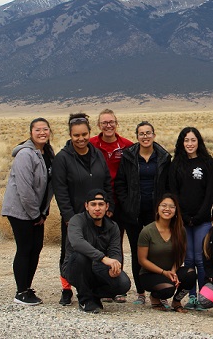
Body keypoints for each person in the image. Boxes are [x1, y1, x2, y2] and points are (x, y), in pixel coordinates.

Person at [52, 113, 114, 306]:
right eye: (76, 135)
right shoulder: (63, 158)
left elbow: (106, 181)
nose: (81, 139)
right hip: (75, 216)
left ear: (90, 133)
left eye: (84, 134)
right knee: (69, 253)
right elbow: (60, 189)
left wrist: (108, 205)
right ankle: (66, 288)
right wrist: (68, 216)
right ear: (70, 135)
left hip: (97, 215)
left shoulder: (97, 154)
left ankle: (92, 287)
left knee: (96, 251)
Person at [114, 121, 171, 305]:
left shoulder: (163, 157)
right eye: (141, 133)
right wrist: (126, 204)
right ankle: (140, 292)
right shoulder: (129, 156)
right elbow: (120, 183)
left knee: (157, 252)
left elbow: (168, 185)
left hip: (156, 214)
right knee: (137, 251)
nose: (145, 136)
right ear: (137, 136)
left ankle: (157, 292)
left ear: (154, 135)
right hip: (133, 214)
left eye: (148, 133)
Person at [1, 117, 54, 305]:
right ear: (31, 133)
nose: (42, 133)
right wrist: (35, 214)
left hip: (36, 212)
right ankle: (21, 292)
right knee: (25, 249)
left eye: (45, 129)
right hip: (19, 211)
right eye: (37, 130)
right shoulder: (25, 154)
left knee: (35, 248)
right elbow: (24, 189)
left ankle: (27, 287)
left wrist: (43, 212)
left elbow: (48, 185)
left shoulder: (47, 152)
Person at [61, 189, 131, 313]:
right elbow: (77, 243)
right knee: (81, 257)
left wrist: (115, 265)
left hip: (97, 268)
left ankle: (94, 296)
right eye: (93, 204)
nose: (97, 208)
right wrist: (103, 258)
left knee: (124, 283)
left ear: (107, 206)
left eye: (101, 204)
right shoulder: (76, 221)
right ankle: (85, 299)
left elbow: (115, 250)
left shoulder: (113, 226)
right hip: (75, 267)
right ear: (86, 206)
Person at [169, 127, 213, 310]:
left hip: (202, 220)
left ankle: (205, 298)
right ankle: (192, 298)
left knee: (201, 258)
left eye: (193, 140)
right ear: (182, 142)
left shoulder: (207, 163)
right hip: (182, 220)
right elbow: (174, 192)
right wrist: (183, 216)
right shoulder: (176, 164)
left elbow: (210, 193)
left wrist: (199, 215)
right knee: (188, 260)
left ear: (199, 142)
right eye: (186, 140)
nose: (189, 144)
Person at [90, 109, 133, 303]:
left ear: (117, 123)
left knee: (116, 243)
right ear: (99, 125)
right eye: (104, 122)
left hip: (120, 202)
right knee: (97, 243)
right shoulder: (91, 145)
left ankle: (118, 287)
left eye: (111, 122)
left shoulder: (127, 146)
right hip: (98, 203)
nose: (108, 125)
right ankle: (100, 285)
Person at [137, 193, 196, 312]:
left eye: (171, 206)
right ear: (157, 209)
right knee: (167, 289)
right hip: (150, 274)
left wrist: (173, 271)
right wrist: (164, 272)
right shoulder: (147, 231)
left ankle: (177, 301)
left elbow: (181, 255)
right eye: (163, 205)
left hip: (170, 271)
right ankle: (154, 297)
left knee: (190, 274)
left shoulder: (180, 230)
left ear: (176, 210)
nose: (167, 209)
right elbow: (142, 260)